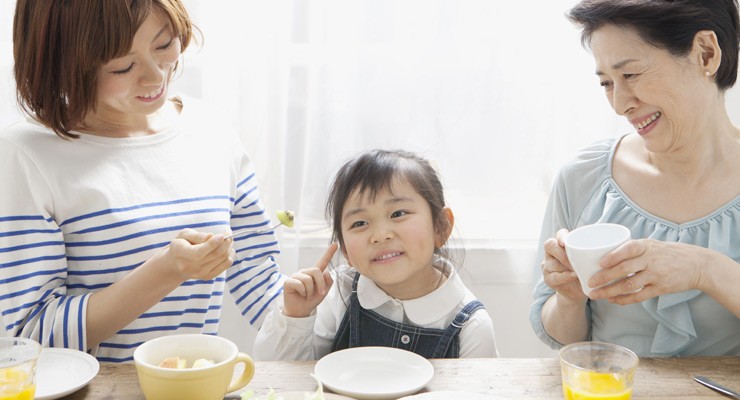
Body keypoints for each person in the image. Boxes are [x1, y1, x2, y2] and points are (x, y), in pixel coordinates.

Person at [0, 0, 286, 362]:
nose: (154, 76)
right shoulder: (26, 155)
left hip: (189, 388)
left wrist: (300, 309)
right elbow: (30, 340)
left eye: (164, 44)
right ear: (63, 63)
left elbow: (256, 271)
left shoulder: (210, 131)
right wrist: (165, 271)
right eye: (122, 66)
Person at [530, 0, 740, 357]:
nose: (619, 103)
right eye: (606, 83)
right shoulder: (582, 178)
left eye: (630, 75)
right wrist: (569, 298)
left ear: (706, 54)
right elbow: (562, 337)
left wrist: (705, 269)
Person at [253, 149, 498, 359]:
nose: (380, 235)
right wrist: (297, 316)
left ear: (441, 226)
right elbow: (280, 376)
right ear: (345, 249)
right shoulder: (340, 291)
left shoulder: (471, 326)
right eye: (359, 223)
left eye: (398, 214)